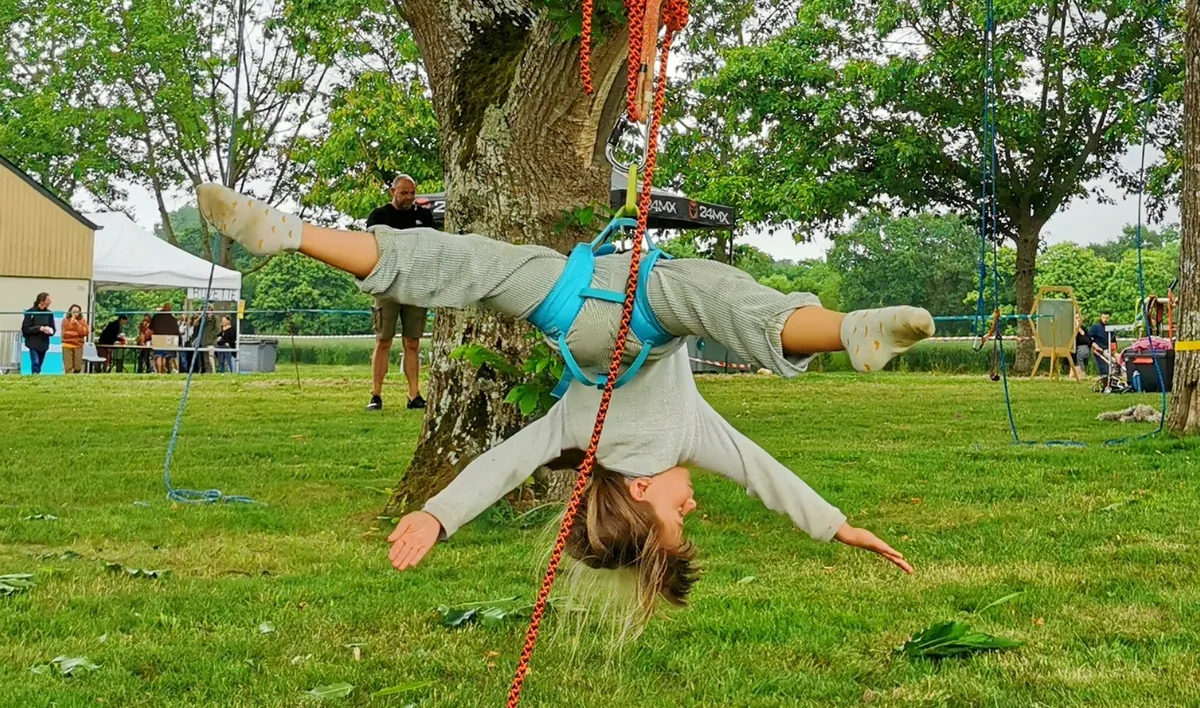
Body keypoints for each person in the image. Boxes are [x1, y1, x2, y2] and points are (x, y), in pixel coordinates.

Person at [199, 184, 934, 620]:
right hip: (571, 307)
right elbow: (503, 467)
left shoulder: (677, 440)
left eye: (678, 516)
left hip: (628, 308)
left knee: (707, 297)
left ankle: (841, 332)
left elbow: (760, 472)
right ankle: (292, 237)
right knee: (471, 268)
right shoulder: (577, 440)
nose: (694, 506)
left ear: (643, 494)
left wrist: (837, 527)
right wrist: (435, 514)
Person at [363, 174, 437, 414]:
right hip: (387, 285)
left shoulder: (424, 217)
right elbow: (372, 248)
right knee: (383, 340)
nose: (408, 197)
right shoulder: (379, 216)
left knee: (412, 342)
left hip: (416, 286)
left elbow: (431, 248)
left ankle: (414, 395)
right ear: (392, 192)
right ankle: (376, 394)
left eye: (412, 193)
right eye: (404, 192)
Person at [21, 293, 56, 375]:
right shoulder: (30, 312)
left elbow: (53, 328)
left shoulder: (49, 314)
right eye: (48, 300)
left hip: (43, 342)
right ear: (42, 301)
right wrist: (39, 328)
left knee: (40, 362)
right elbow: (26, 328)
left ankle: (37, 374)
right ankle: (35, 373)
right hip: (33, 341)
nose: (50, 301)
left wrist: (50, 331)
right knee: (35, 361)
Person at [148, 301, 181, 374]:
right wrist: (179, 341)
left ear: (163, 308)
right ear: (170, 310)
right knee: (166, 357)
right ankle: (164, 371)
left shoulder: (156, 317)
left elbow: (150, 329)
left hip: (158, 338)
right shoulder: (173, 319)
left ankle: (159, 372)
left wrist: (147, 338)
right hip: (168, 340)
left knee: (158, 356)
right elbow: (176, 331)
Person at [1087, 312, 1119, 388]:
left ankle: (1117, 377)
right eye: (1104, 317)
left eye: (1107, 318)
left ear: (1109, 318)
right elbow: (1089, 338)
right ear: (1101, 317)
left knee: (1118, 358)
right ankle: (1107, 380)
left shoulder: (1111, 328)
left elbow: (1113, 341)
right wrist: (1095, 346)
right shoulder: (1095, 327)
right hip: (1100, 350)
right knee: (1110, 362)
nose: (1105, 319)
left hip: (1110, 350)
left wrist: (1115, 351)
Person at [60, 303, 89, 374]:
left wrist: (77, 324)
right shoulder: (65, 320)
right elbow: (64, 334)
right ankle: (68, 380)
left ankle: (76, 377)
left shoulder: (83, 321)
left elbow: (84, 332)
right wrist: (76, 334)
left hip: (78, 345)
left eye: (77, 312)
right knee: (68, 366)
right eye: (74, 312)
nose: (75, 313)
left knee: (78, 366)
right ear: (70, 311)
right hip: (67, 345)